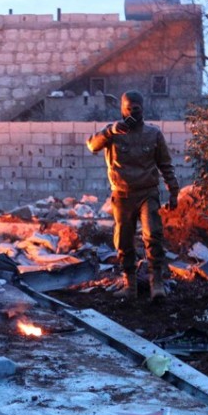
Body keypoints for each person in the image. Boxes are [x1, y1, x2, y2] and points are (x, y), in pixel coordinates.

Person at [86, 90, 179, 301]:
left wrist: (173, 191)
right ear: (122, 109)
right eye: (128, 109)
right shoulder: (112, 134)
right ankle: (130, 286)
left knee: (153, 236)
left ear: (142, 109)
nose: (132, 113)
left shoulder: (153, 134)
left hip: (147, 192)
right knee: (124, 242)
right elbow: (92, 145)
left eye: (136, 109)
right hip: (122, 195)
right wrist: (110, 131)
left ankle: (157, 285)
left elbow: (165, 164)